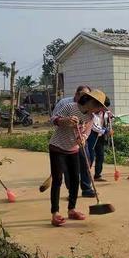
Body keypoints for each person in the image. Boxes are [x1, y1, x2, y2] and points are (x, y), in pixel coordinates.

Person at [49, 89, 108, 227]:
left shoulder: (91, 117)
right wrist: (65, 120)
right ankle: (55, 213)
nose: (99, 109)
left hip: (73, 149)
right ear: (89, 101)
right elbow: (53, 119)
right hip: (57, 147)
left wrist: (83, 139)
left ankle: (72, 209)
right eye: (98, 105)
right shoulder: (71, 107)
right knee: (57, 179)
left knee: (76, 179)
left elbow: (86, 132)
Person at [52, 85, 95, 197]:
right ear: (76, 94)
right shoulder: (66, 104)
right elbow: (55, 119)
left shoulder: (89, 109)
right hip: (65, 141)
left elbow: (89, 125)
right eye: (83, 96)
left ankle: (86, 188)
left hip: (80, 140)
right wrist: (65, 121)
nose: (85, 99)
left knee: (86, 162)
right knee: (68, 167)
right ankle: (72, 191)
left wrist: (84, 136)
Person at [87, 97, 112, 182]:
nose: (105, 108)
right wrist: (106, 131)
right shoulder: (92, 113)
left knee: (100, 156)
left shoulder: (104, 113)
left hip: (100, 136)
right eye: (104, 106)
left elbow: (109, 119)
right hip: (91, 135)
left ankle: (97, 175)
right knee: (90, 156)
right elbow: (94, 127)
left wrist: (110, 117)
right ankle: (86, 175)